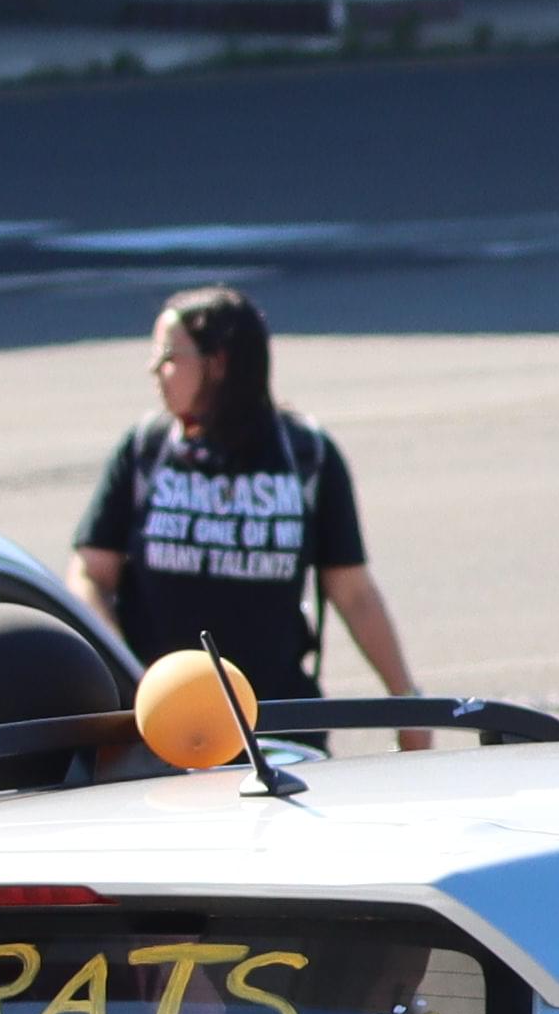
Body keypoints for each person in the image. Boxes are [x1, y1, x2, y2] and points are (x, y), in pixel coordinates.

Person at [75, 284, 414, 706]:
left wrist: (405, 697)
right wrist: (129, 675)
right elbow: (90, 574)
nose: (153, 369)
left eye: (167, 356)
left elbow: (353, 592)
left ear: (217, 364)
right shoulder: (147, 449)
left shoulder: (306, 456)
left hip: (280, 720)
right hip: (165, 726)